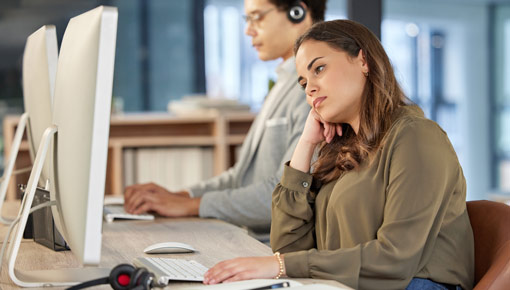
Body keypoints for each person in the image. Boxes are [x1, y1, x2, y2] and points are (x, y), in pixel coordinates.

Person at [202, 19, 474, 290]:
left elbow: (395, 260)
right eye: (303, 83)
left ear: (363, 61)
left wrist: (282, 265)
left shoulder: (416, 137)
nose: (309, 88)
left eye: (319, 69)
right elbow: (289, 247)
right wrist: (306, 144)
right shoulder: (341, 151)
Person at [124, 0, 327, 239]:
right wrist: (182, 196)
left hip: (274, 246)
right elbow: (241, 177)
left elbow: (284, 193)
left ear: (297, 13)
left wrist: (193, 206)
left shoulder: (312, 90)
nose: (248, 30)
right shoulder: (283, 82)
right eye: (247, 20)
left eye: (257, 17)